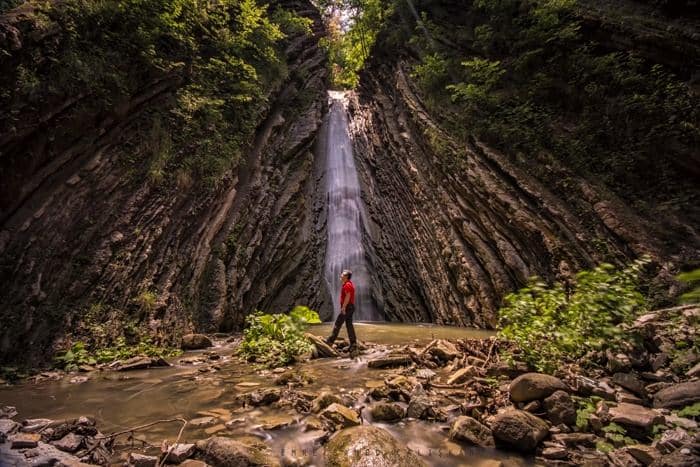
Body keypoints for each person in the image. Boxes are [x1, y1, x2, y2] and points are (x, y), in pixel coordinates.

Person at [325, 269, 357, 354]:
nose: (340, 275)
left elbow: (348, 296)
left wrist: (343, 307)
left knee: (338, 323)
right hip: (350, 307)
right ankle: (353, 344)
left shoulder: (347, 285)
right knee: (349, 325)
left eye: (342, 274)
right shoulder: (349, 284)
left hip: (347, 307)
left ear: (346, 276)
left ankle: (330, 341)